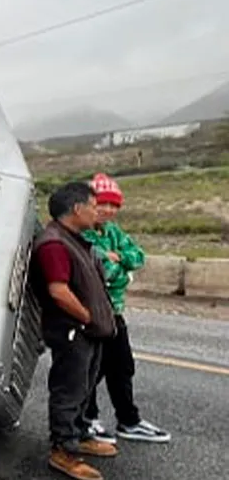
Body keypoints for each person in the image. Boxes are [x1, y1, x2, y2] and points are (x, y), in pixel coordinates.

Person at [30, 180, 119, 480]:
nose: (98, 213)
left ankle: (79, 435)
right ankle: (63, 450)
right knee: (69, 390)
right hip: (73, 331)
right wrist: (87, 316)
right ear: (77, 208)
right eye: (94, 207)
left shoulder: (75, 239)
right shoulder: (54, 243)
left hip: (88, 331)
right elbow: (58, 291)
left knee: (84, 386)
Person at [81, 173, 172, 444]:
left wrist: (118, 258)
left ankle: (128, 420)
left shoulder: (112, 233)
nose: (108, 210)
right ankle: (87, 419)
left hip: (114, 313)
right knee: (91, 369)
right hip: (91, 313)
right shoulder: (82, 234)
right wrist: (121, 268)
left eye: (114, 205)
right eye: (102, 203)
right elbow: (106, 274)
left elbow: (138, 257)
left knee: (121, 366)